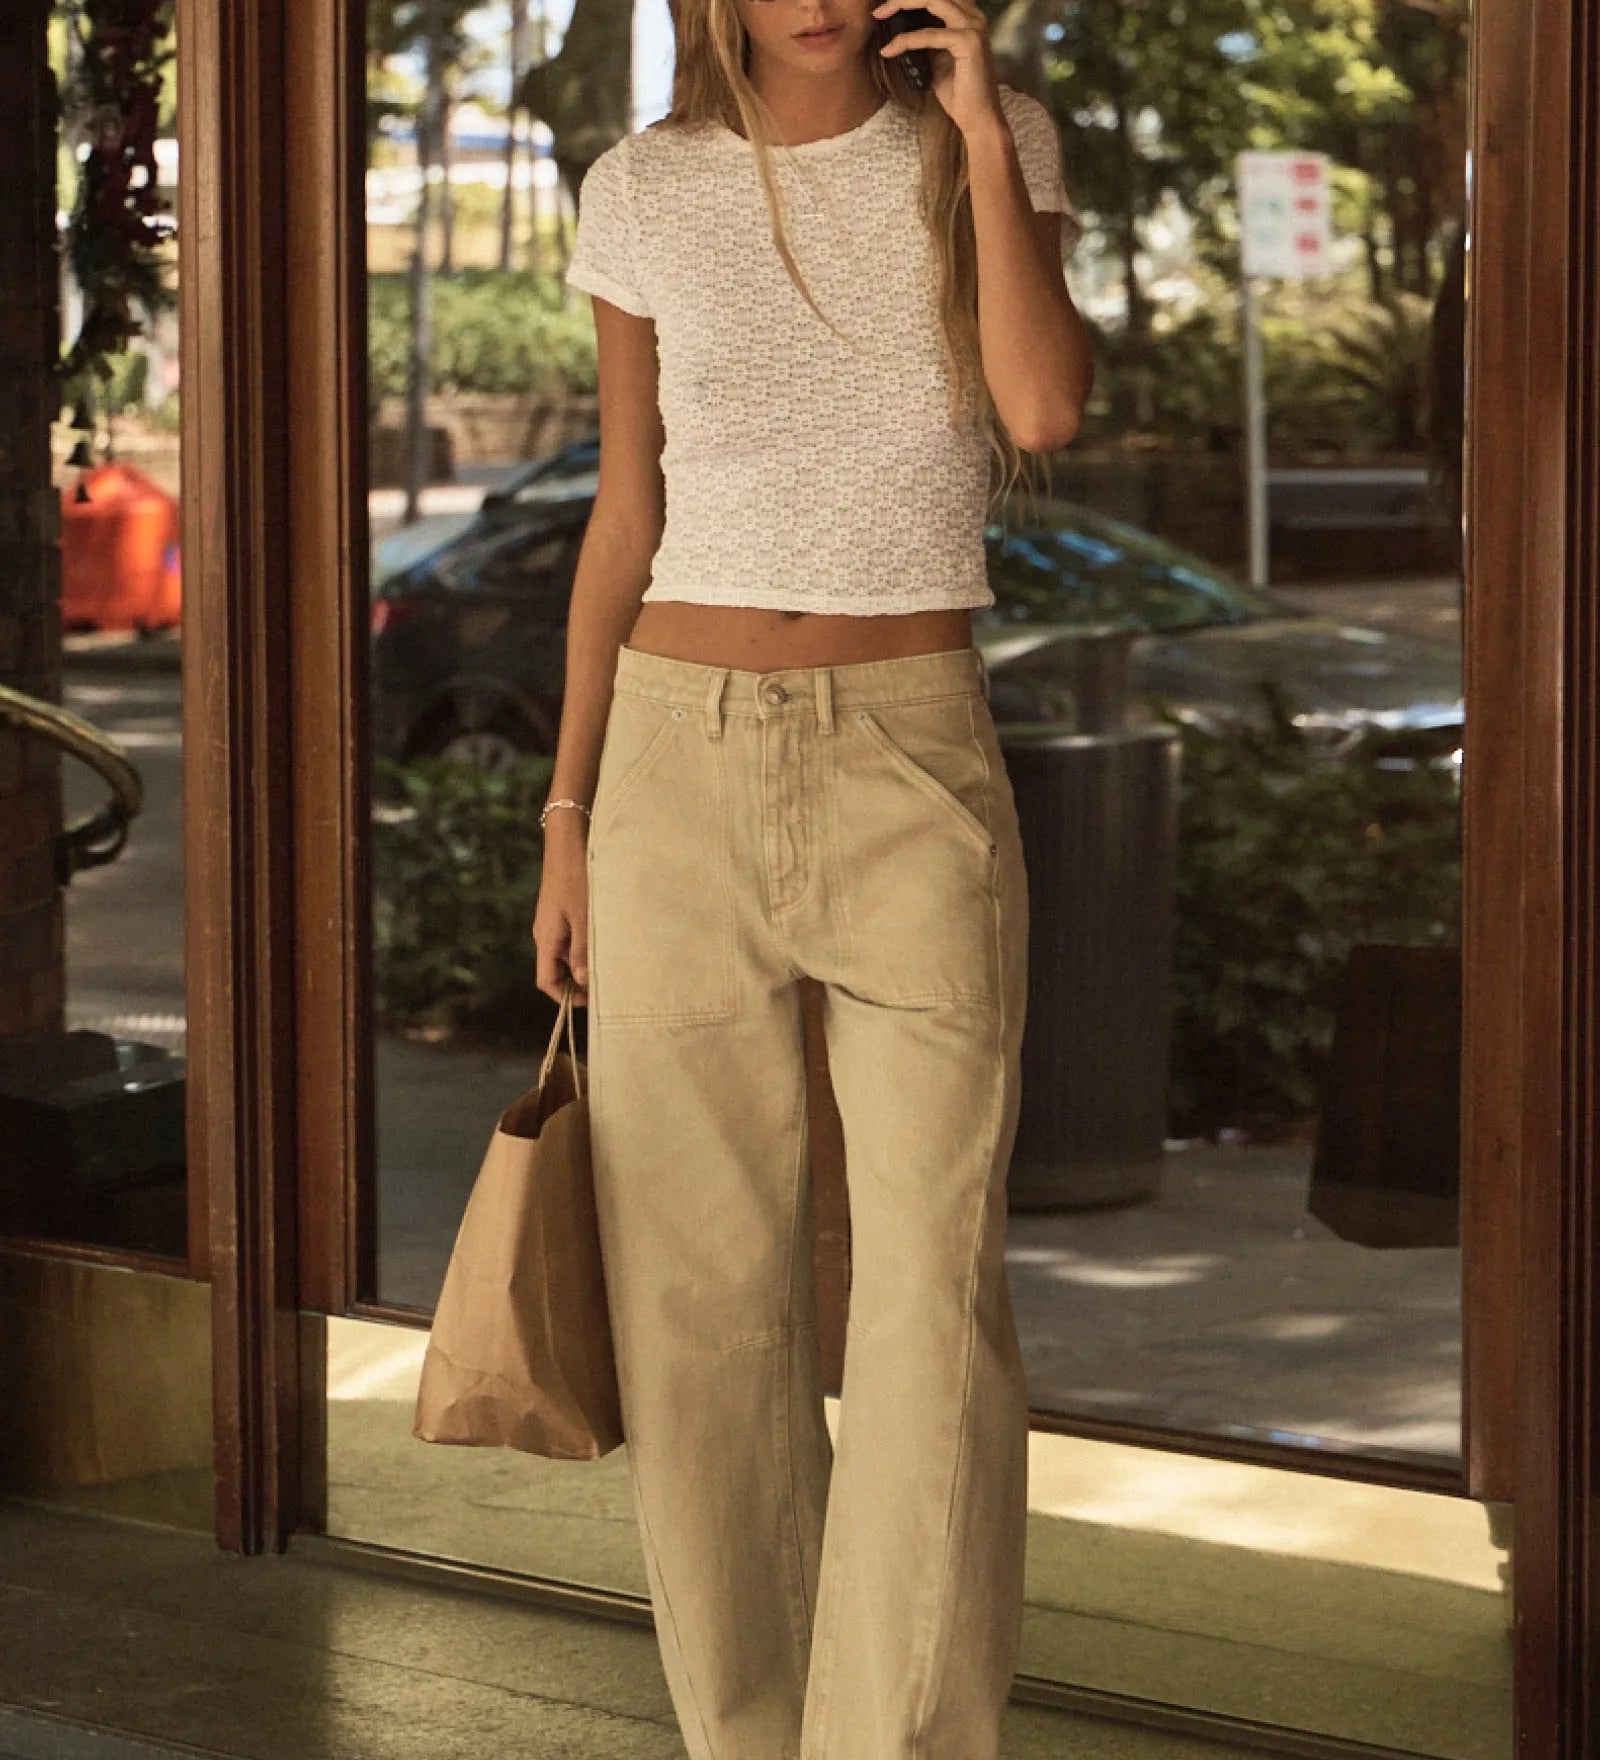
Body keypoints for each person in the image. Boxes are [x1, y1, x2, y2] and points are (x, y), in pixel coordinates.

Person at [532, 0, 1092, 1749]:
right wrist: (563, 816)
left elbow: (1044, 407)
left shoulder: (984, 152)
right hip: (671, 762)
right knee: (698, 1299)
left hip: (910, 746)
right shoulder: (640, 189)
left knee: (931, 1291)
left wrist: (987, 139)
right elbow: (626, 512)